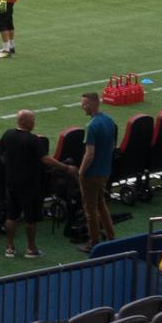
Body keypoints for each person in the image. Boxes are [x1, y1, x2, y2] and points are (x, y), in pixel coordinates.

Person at [62, 91, 117, 251]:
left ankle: (94, 242)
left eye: (84, 103)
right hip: (105, 170)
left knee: (90, 209)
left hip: (92, 174)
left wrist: (81, 172)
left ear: (92, 104)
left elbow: (89, 153)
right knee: (101, 204)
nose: (82, 106)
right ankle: (111, 235)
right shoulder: (109, 120)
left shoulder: (92, 126)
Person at [0, 110, 47, 259]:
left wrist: (8, 164)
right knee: (31, 218)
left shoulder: (8, 134)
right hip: (29, 184)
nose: (34, 122)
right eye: (32, 120)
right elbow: (45, 159)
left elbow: (0, 151)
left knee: (12, 216)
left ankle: (9, 247)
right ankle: (31, 249)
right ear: (27, 122)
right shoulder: (33, 140)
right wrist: (66, 168)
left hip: (12, 182)